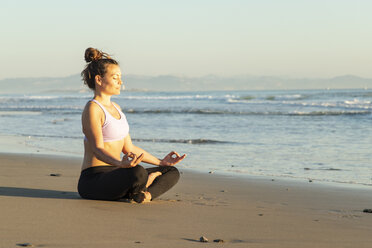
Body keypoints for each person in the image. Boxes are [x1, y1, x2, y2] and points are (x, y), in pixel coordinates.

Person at [77, 47, 186, 203]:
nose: (120, 82)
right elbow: (98, 148)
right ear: (99, 80)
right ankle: (144, 185)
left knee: (171, 171)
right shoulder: (93, 108)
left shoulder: (117, 109)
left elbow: (130, 148)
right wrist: (121, 163)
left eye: (120, 77)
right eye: (115, 77)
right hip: (94, 180)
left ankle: (144, 195)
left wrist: (161, 162)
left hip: (118, 172)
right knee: (138, 172)